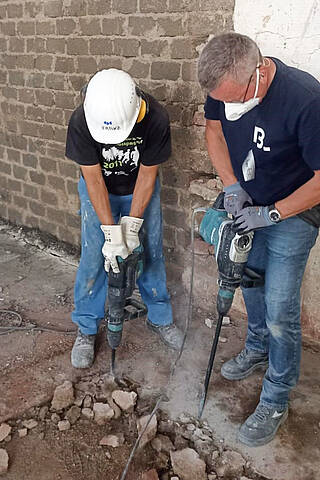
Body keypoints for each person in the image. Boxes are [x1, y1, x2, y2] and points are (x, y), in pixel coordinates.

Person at [198, 32, 320, 447]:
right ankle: (256, 347)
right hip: (249, 198)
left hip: (294, 209)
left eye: (235, 99)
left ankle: (277, 396)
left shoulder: (305, 99)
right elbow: (213, 130)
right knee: (249, 279)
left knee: (281, 307)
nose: (229, 106)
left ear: (259, 73)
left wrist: (272, 213)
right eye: (223, 100)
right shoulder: (223, 81)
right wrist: (232, 186)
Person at [65, 68, 183, 369]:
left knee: (149, 251)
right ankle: (87, 328)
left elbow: (147, 175)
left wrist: (130, 229)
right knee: (94, 257)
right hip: (99, 190)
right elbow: (93, 180)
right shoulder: (82, 120)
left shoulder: (155, 117)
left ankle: (159, 317)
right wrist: (111, 234)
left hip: (139, 188)